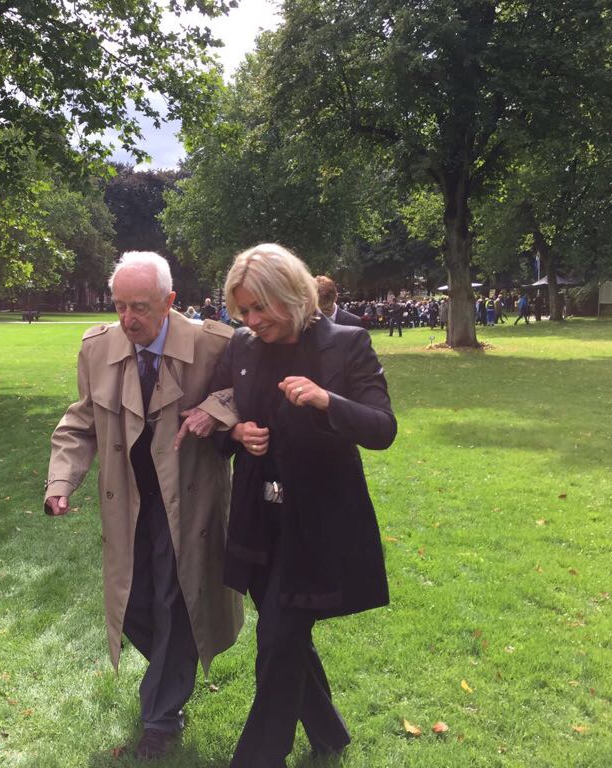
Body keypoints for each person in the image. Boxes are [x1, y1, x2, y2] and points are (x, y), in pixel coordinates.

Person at [44, 251, 244, 760]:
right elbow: (80, 422)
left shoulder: (214, 344)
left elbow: (249, 391)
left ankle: (160, 717)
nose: (128, 319)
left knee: (175, 598)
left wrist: (216, 409)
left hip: (188, 501)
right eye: (120, 306)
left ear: (169, 301)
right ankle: (173, 669)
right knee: (133, 603)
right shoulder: (97, 348)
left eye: (140, 307)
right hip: (127, 499)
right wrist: (61, 481)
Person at [203, 243, 396, 766]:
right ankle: (330, 736)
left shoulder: (347, 344)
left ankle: (258, 757)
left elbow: (383, 428)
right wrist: (236, 433)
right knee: (285, 632)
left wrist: (327, 400)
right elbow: (217, 413)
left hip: (317, 523)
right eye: (243, 310)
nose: (251, 320)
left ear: (291, 294)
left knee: (277, 636)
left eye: (260, 307)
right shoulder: (242, 348)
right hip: (256, 519)